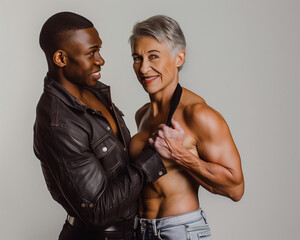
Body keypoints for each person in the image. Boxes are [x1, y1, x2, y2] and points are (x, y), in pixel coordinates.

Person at [33, 12, 168, 240]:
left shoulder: (94, 92)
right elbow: (98, 210)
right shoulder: (58, 123)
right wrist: (154, 156)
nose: (100, 60)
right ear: (61, 59)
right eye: (91, 53)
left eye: (99, 50)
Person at [129, 15, 244, 240]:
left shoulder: (198, 114)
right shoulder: (142, 115)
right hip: (139, 231)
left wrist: (179, 154)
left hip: (179, 231)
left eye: (153, 57)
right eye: (137, 58)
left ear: (179, 58)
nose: (143, 68)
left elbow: (236, 189)